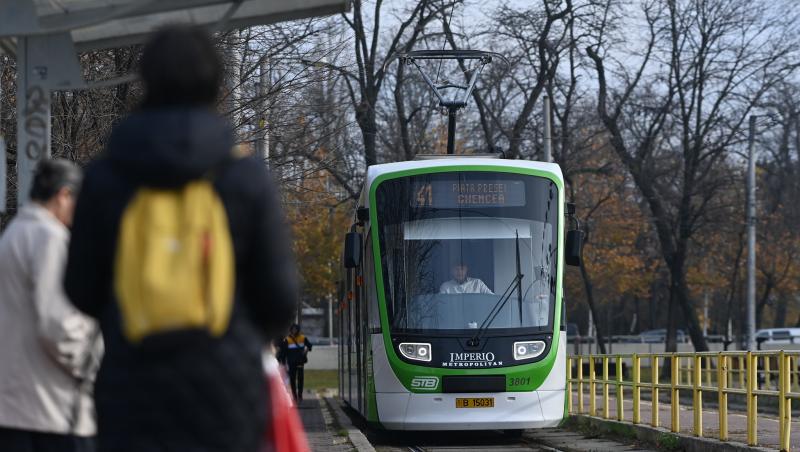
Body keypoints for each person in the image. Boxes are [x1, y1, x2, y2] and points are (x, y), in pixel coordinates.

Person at [64, 25, 298, 452]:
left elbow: (80, 288)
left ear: (146, 80)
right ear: (215, 83)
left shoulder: (104, 177)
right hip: (228, 397)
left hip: (132, 393)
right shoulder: (244, 177)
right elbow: (279, 298)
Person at [0, 159, 101, 452]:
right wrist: (91, 363)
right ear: (64, 195)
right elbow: (58, 323)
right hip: (51, 405)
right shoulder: (50, 238)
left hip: (15, 403)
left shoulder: (13, 234)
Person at [277, 324, 312, 402]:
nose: (294, 331)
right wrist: (282, 362)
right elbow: (283, 352)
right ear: (291, 330)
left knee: (300, 378)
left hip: (300, 361)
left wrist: (305, 351)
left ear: (298, 330)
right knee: (292, 379)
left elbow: (310, 346)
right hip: (291, 362)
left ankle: (300, 395)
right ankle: (294, 396)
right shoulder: (287, 339)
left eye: (295, 329)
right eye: (293, 329)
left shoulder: (303, 338)